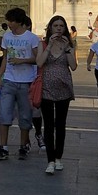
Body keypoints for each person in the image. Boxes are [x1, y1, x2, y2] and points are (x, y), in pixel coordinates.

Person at [0, 7, 40, 161]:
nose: (9, 23)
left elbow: (38, 59)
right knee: (4, 114)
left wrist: (23, 60)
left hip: (27, 81)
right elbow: (5, 58)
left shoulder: (32, 38)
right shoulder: (7, 37)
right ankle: (3, 146)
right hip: (9, 80)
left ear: (19, 22)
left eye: (11, 21)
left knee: (25, 116)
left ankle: (23, 146)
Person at [35, 15, 78, 174]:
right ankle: (50, 160)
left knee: (60, 124)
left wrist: (67, 49)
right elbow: (39, 62)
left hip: (64, 88)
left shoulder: (69, 45)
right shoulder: (43, 44)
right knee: (49, 125)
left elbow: (73, 66)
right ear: (50, 28)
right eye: (56, 26)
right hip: (46, 87)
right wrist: (49, 45)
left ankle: (58, 157)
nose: (59, 28)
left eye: (61, 26)